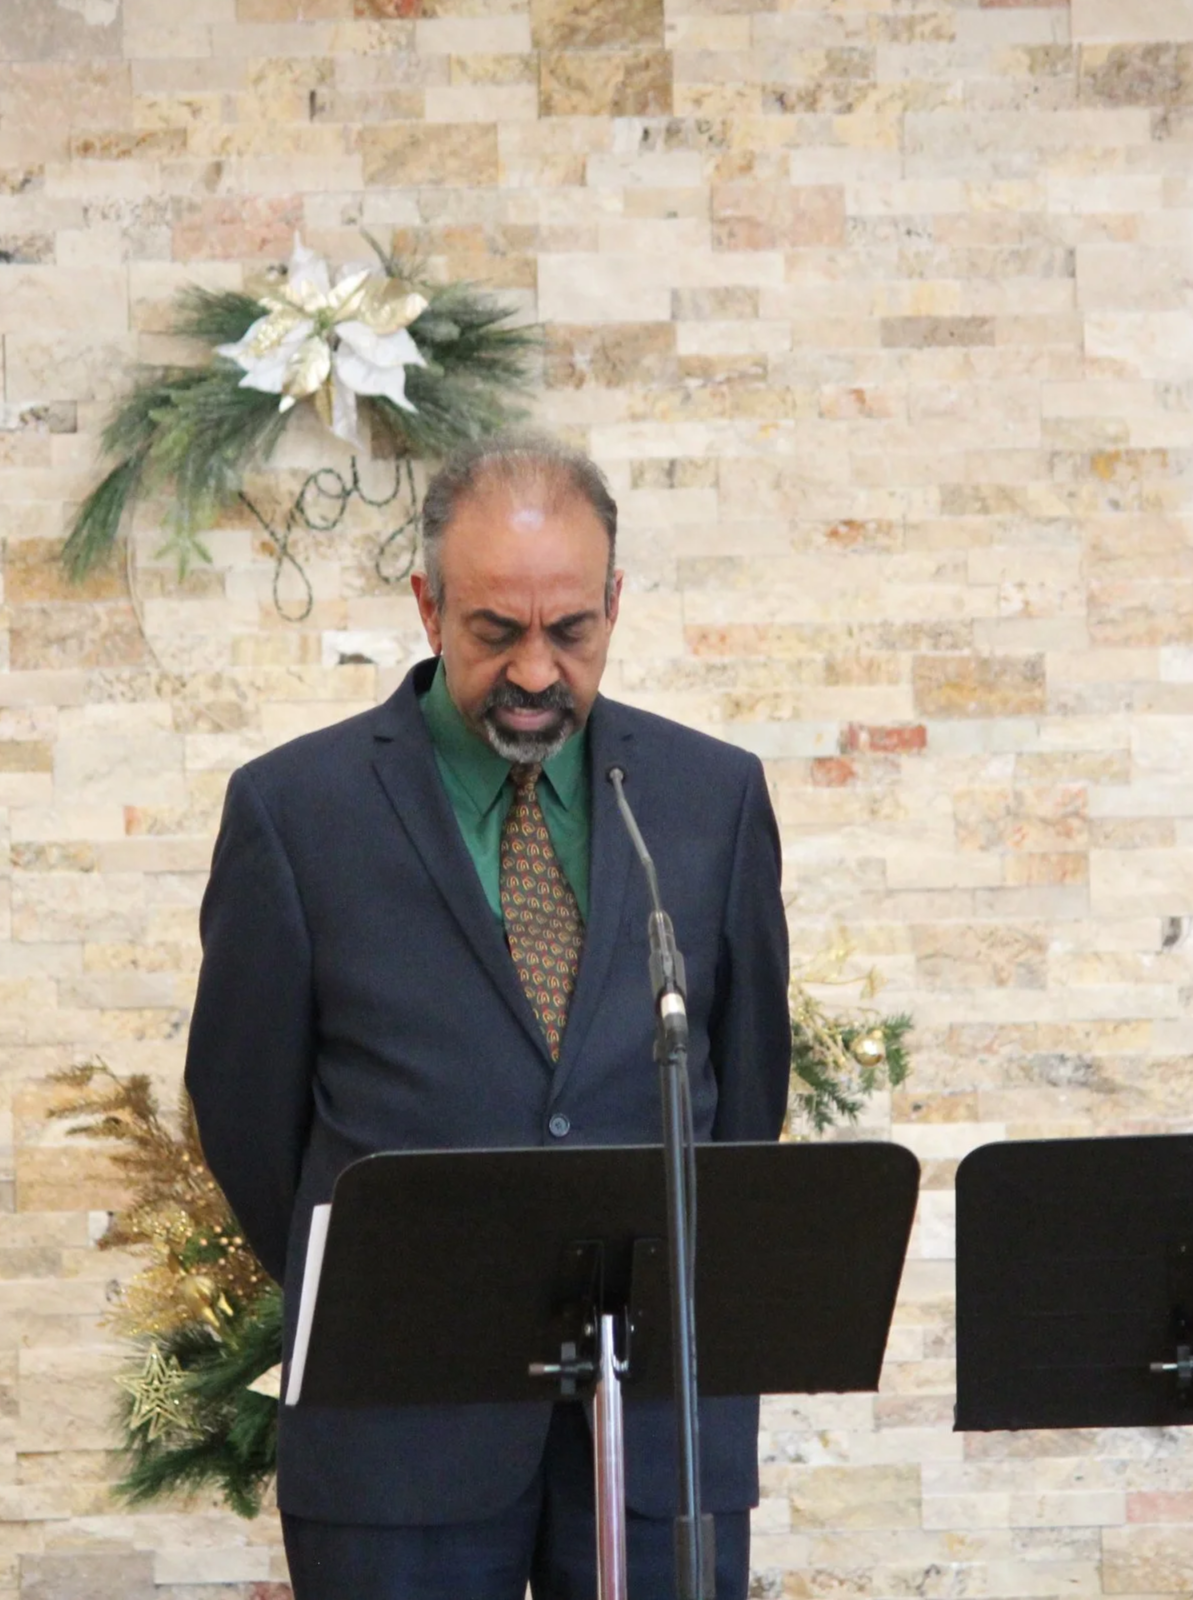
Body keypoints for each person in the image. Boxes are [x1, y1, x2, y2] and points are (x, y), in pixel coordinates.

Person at [184, 434, 792, 1599]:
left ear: (613, 604)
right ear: (425, 606)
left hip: (658, 1433)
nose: (532, 671)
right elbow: (249, 1116)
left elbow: (739, 1099)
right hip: (397, 1434)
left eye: (569, 630)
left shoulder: (709, 799)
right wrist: (391, 1287)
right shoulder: (293, 812)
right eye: (492, 631)